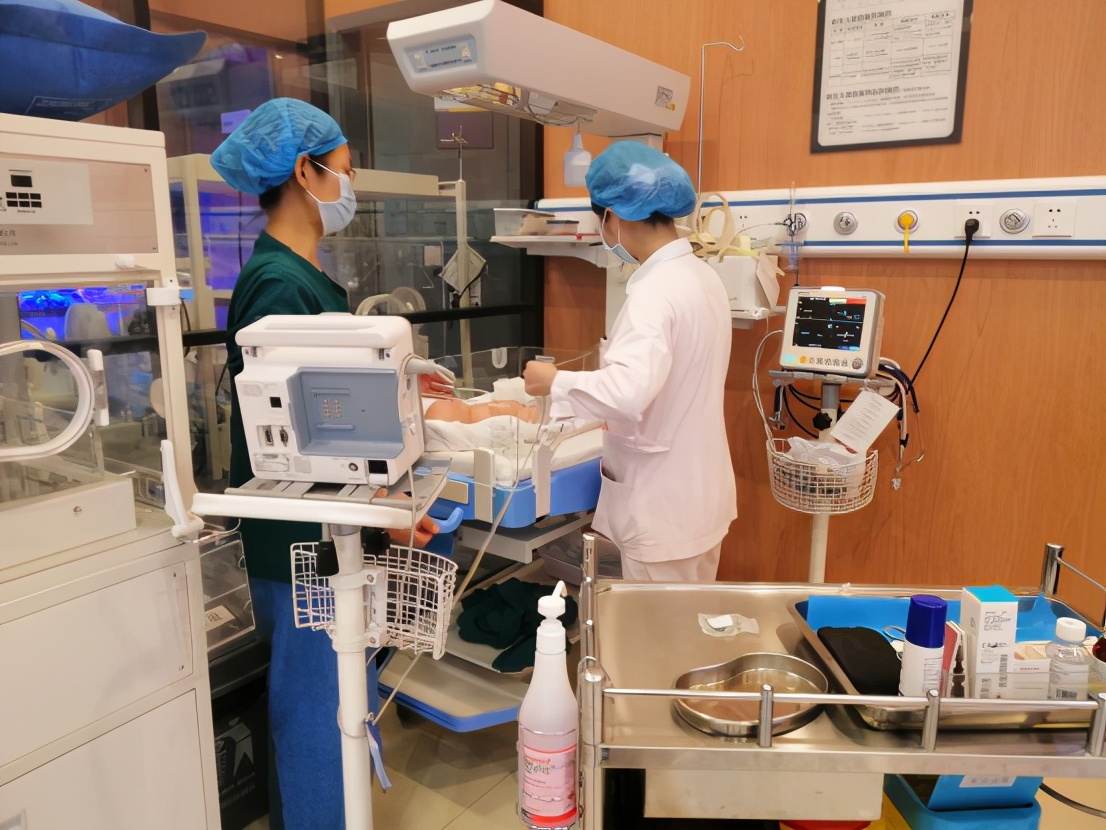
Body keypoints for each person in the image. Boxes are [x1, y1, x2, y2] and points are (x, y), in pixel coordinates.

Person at [213, 98, 434, 830]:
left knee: (339, 700)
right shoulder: (280, 284)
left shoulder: (300, 274)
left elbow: (329, 406)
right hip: (301, 543)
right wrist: (382, 511)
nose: (351, 182)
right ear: (305, 172)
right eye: (344, 168)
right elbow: (300, 439)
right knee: (319, 713)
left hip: (319, 530)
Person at [523, 141, 736, 582]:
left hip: (662, 507)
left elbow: (626, 393)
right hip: (699, 498)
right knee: (688, 619)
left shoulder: (655, 292)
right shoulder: (701, 276)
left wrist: (554, 380)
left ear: (612, 216)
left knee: (656, 627)